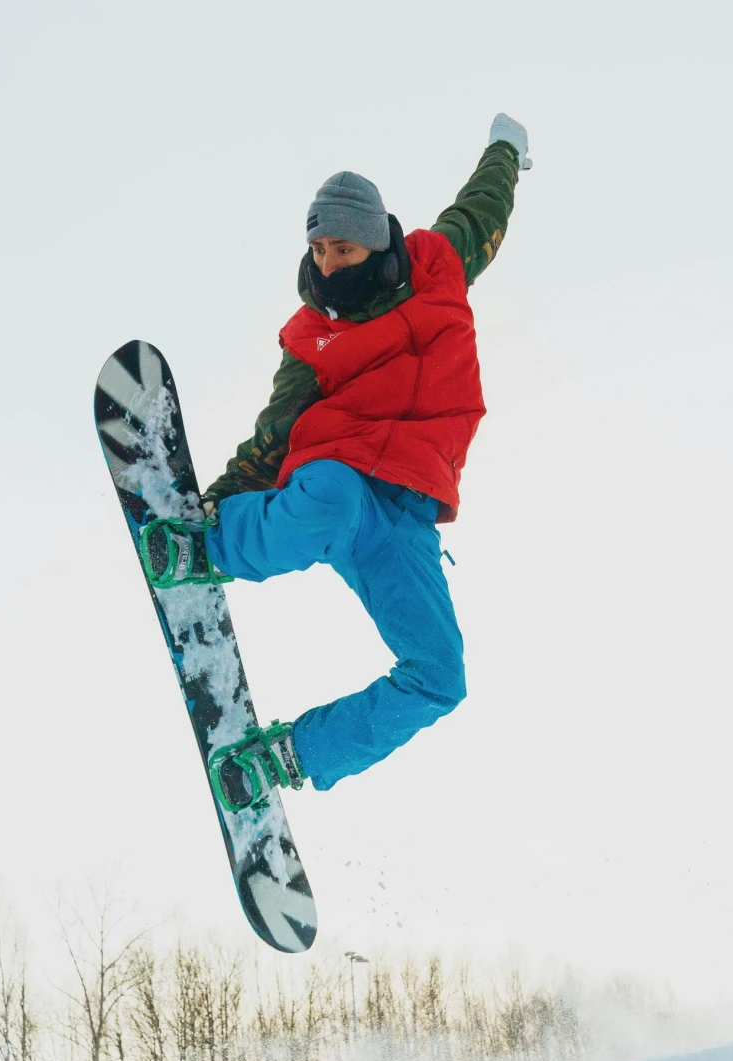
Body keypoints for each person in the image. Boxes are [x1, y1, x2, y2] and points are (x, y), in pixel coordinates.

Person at [141, 114, 530, 811]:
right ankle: (214, 547)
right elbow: (273, 437)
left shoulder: (438, 265)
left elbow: (483, 205)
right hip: (336, 479)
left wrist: (506, 149)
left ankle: (290, 756)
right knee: (333, 498)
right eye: (317, 250)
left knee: (440, 675)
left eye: (342, 249)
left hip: (406, 521)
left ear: (377, 242)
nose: (326, 266)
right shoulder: (311, 338)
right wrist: (214, 507)